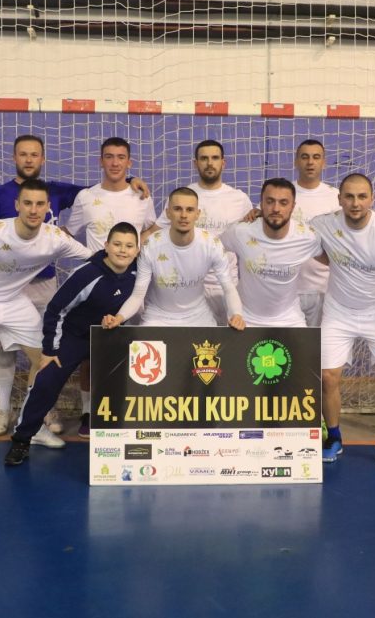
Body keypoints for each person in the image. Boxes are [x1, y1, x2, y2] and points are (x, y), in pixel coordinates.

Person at [0, 135, 149, 437]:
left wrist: (130, 179)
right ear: (14, 158)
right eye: (23, 154)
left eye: (34, 155)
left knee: (44, 349)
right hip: (8, 285)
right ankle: (3, 410)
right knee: (5, 348)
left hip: (44, 282)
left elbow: (100, 191)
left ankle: (45, 409)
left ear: (42, 159)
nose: (29, 159)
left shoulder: (55, 191)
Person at [0, 179, 92, 470]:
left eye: (39, 204)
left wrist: (134, 256)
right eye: (27, 203)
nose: (33, 210)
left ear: (48, 208)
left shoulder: (55, 238)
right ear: (17, 205)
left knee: (46, 361)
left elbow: (96, 258)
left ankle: (33, 427)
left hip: (14, 300)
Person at [4, 222, 142, 467]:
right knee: (47, 380)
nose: (123, 250)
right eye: (117, 244)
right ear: (106, 246)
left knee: (129, 381)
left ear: (137, 250)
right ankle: (23, 438)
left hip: (109, 337)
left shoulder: (139, 273)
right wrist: (50, 350)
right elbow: (55, 310)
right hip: (74, 336)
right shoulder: (87, 274)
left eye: (129, 246)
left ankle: (121, 437)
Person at [310, 173, 375, 472]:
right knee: (328, 377)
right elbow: (297, 236)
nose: (355, 203)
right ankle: (334, 438)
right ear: (339, 199)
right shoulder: (322, 224)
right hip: (338, 312)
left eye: (362, 196)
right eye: (349, 196)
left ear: (371, 199)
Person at [63, 137, 158, 437]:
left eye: (120, 157)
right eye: (109, 156)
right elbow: (67, 233)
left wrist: (136, 248)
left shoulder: (141, 196)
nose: (115, 162)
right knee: (91, 354)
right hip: (96, 286)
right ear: (100, 161)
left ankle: (125, 405)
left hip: (132, 283)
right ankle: (89, 412)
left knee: (129, 350)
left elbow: (153, 228)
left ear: (129, 162)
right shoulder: (86, 197)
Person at [103, 187, 245, 330]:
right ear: (168, 213)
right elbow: (138, 295)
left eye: (189, 210)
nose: (183, 215)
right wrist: (119, 318)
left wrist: (237, 315)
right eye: (177, 209)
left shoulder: (212, 244)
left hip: (198, 316)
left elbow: (229, 288)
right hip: (157, 317)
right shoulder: (151, 246)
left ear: (197, 214)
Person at [153, 140, 253, 324]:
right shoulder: (184, 196)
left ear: (223, 162)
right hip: (190, 288)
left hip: (227, 286)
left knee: (229, 340)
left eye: (215, 158)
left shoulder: (240, 199)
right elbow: (155, 232)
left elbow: (253, 241)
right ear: (195, 163)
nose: (209, 163)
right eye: (204, 158)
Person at [219, 178, 324, 327]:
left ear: (293, 207)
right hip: (245, 317)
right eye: (270, 201)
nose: (276, 209)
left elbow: (331, 260)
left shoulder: (307, 237)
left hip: (289, 318)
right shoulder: (240, 232)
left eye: (283, 203)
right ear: (261, 204)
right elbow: (211, 250)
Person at [291, 139, 341, 326]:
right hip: (286, 290)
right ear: (296, 161)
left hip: (325, 289)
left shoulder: (336, 197)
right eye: (305, 157)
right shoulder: (283, 193)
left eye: (316, 157)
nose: (310, 162)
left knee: (321, 344)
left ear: (324, 162)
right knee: (287, 344)